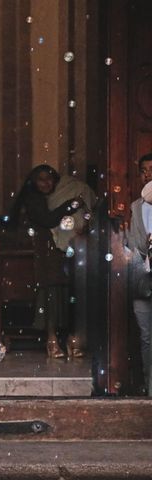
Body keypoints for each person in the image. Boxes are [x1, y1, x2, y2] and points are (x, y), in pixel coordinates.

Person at [11, 164, 85, 358]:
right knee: (50, 291)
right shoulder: (32, 198)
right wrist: (72, 204)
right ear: (33, 182)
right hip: (42, 252)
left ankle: (68, 339)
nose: (46, 183)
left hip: (55, 250)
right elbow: (48, 219)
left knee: (64, 291)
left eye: (50, 178)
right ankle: (52, 340)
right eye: (41, 179)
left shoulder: (51, 198)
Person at [126, 152, 152, 395]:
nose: (149, 175)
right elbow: (133, 243)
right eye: (144, 170)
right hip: (142, 280)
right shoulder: (135, 207)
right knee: (146, 336)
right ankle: (149, 385)